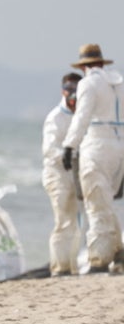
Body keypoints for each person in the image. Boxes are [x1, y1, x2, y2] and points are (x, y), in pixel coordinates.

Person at [59, 44, 124, 273]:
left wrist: (69, 145)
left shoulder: (89, 83)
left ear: (84, 66)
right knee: (107, 202)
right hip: (119, 145)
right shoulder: (119, 82)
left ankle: (99, 259)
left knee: (96, 204)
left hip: (96, 144)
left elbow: (82, 117)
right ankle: (118, 251)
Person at [42, 73, 83, 275]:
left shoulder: (82, 115)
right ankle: (59, 267)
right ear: (63, 91)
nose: (72, 92)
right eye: (69, 88)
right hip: (56, 174)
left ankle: (71, 265)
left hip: (74, 174)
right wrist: (68, 154)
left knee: (76, 221)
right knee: (63, 220)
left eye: (76, 88)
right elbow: (49, 149)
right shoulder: (55, 117)